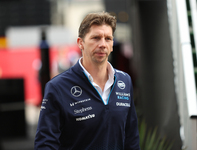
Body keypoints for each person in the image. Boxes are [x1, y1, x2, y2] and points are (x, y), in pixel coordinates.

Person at [34, 11, 140, 150]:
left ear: (112, 44)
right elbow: (45, 144)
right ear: (81, 43)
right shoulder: (57, 87)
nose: (102, 44)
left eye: (108, 38)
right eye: (96, 38)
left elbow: (131, 138)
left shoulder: (124, 81)